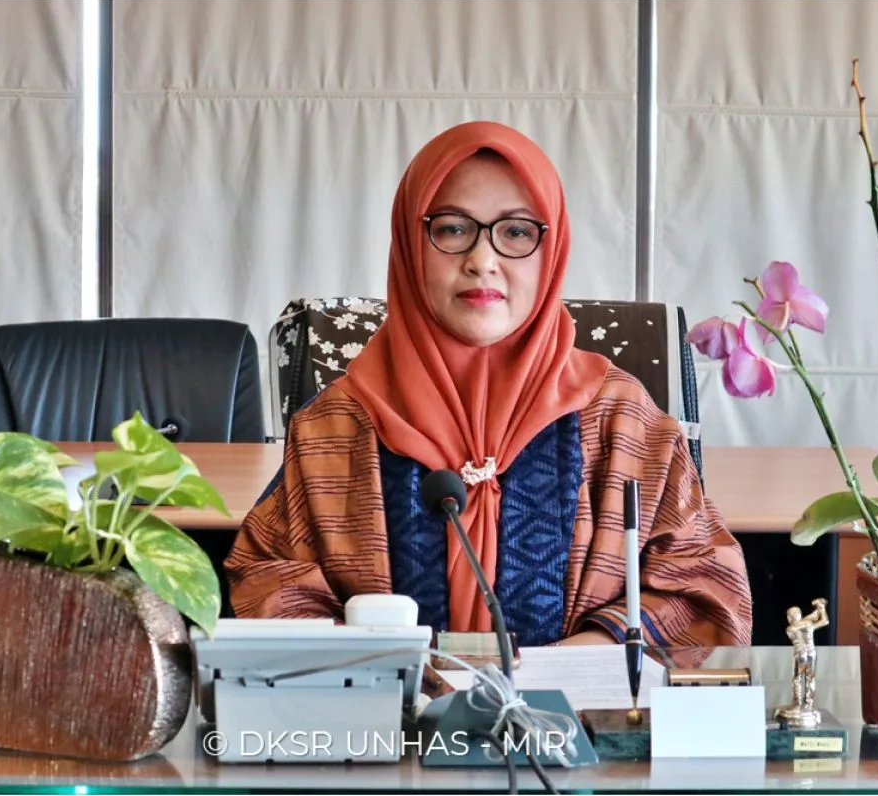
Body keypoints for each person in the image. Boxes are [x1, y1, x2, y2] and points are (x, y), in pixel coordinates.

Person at [225, 121, 752, 648]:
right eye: (452, 229)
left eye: (517, 231)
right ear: (410, 245)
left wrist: (571, 665)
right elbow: (270, 585)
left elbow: (705, 592)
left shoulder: (621, 419)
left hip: (576, 702)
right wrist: (389, 669)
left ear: (552, 251)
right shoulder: (334, 427)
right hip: (387, 702)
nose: (482, 261)